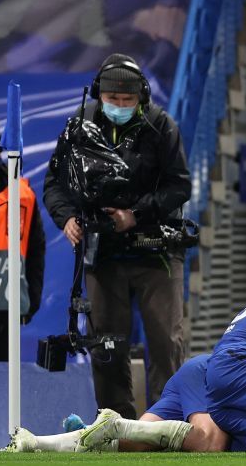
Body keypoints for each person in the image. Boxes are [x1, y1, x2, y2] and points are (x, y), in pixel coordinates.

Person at [8, 287, 246, 454]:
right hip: (218, 376)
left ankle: (36, 441)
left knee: (136, 443)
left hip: (212, 374)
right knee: (211, 441)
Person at [43, 53, 191, 418]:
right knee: (105, 343)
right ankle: (116, 425)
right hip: (102, 251)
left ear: (141, 97)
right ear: (98, 95)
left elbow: (179, 186)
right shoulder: (78, 127)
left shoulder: (161, 126)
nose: (120, 106)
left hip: (157, 250)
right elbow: (53, 184)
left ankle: (166, 421)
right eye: (113, 100)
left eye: (128, 101)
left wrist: (134, 215)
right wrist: (67, 219)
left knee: (165, 342)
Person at [0, 112, 45, 361]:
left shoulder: (22, 194)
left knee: (0, 392)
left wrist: (31, 302)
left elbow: (36, 251)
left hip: (3, 316)